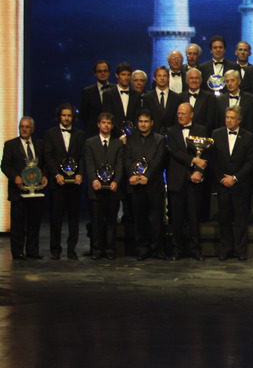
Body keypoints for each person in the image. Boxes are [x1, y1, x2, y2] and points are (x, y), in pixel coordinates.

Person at [209, 106, 253, 261]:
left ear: (239, 120)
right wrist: (222, 178)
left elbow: (250, 162)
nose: (229, 120)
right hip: (223, 185)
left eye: (232, 118)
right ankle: (225, 249)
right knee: (224, 219)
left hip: (240, 185)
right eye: (227, 117)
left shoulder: (248, 136)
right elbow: (213, 160)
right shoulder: (216, 134)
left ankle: (241, 250)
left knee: (241, 220)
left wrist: (235, 178)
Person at [166, 102, 209, 260]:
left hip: (194, 180)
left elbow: (205, 154)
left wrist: (198, 171)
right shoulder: (170, 131)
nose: (180, 116)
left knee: (193, 217)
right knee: (176, 218)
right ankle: (177, 249)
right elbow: (174, 151)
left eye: (183, 113)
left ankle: (195, 249)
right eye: (178, 113)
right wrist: (193, 160)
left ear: (191, 114)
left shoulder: (201, 130)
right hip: (176, 179)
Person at [43, 103, 86, 260]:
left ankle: (71, 250)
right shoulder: (50, 134)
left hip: (74, 183)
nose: (66, 118)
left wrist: (80, 174)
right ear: (59, 117)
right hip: (58, 182)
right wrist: (56, 175)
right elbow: (48, 156)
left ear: (73, 117)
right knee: (56, 218)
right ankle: (55, 250)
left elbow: (82, 156)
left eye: (69, 115)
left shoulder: (80, 135)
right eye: (64, 115)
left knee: (74, 218)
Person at [2, 116, 48, 259]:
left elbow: (45, 164)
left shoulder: (40, 144)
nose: (24, 129)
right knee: (18, 224)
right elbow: (5, 165)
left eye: (27, 127)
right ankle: (18, 252)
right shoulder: (10, 145)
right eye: (22, 126)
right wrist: (15, 177)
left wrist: (45, 176)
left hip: (36, 191)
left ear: (32, 129)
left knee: (34, 223)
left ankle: (32, 251)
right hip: (18, 192)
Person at [124, 109, 166, 260]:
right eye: (140, 121)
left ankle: (157, 249)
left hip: (153, 185)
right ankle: (142, 249)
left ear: (152, 123)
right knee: (139, 219)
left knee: (156, 220)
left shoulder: (159, 139)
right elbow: (127, 159)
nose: (143, 124)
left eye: (146, 121)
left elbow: (158, 160)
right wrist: (132, 175)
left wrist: (147, 176)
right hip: (136, 186)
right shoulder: (130, 139)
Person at [84, 112, 125, 259]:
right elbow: (89, 163)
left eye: (109, 123)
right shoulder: (90, 143)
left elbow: (120, 164)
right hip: (95, 189)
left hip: (113, 189)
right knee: (96, 221)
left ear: (112, 126)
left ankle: (110, 249)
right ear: (98, 124)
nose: (106, 125)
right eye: (103, 122)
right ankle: (97, 249)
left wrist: (116, 181)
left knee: (111, 221)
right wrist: (94, 180)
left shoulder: (118, 143)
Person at [102, 62, 140, 138]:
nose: (126, 77)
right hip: (114, 136)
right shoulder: (108, 94)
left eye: (128, 75)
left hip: (133, 137)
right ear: (117, 75)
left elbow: (137, 117)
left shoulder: (136, 95)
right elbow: (108, 116)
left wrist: (132, 133)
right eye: (123, 74)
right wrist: (121, 135)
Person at [143, 65, 182, 132]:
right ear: (155, 78)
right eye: (159, 76)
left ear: (168, 78)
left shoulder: (176, 98)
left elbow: (177, 119)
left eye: (164, 76)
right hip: (152, 136)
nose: (162, 78)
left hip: (171, 136)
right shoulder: (147, 97)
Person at [80, 60, 112, 135]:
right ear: (95, 74)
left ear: (109, 72)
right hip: (94, 133)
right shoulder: (87, 92)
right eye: (99, 71)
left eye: (105, 71)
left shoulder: (116, 89)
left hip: (113, 133)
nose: (103, 73)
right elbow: (84, 114)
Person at [184, 67, 218, 132]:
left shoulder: (210, 97)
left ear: (201, 80)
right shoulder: (180, 97)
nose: (194, 80)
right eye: (191, 78)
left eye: (197, 78)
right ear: (186, 81)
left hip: (203, 135)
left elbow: (211, 121)